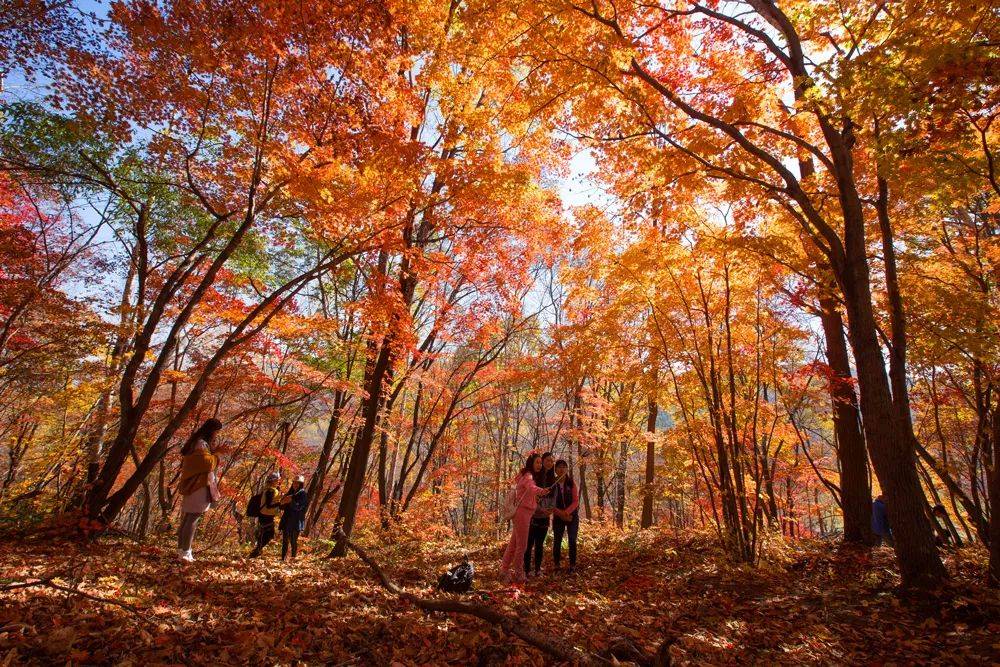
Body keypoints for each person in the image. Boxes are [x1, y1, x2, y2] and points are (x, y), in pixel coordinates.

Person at [499, 454, 554, 584]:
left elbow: (528, 491)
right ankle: (518, 573)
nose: (540, 465)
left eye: (541, 463)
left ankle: (504, 570)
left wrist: (537, 496)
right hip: (522, 513)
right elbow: (531, 487)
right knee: (522, 546)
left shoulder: (526, 475)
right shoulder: (529, 475)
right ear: (531, 463)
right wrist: (541, 491)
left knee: (513, 544)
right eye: (537, 463)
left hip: (524, 513)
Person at [177, 418, 223, 562]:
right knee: (193, 518)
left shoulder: (196, 442)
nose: (216, 435)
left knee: (188, 518)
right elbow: (207, 464)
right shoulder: (201, 443)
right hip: (198, 486)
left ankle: (182, 550)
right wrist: (217, 454)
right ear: (211, 431)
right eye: (216, 432)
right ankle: (186, 552)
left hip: (194, 485)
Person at [524, 452, 556, 577]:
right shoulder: (534, 477)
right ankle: (526, 569)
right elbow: (531, 495)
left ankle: (537, 569)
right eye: (547, 460)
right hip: (532, 515)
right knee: (529, 543)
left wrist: (550, 509)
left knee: (539, 544)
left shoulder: (552, 478)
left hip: (545, 516)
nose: (549, 463)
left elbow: (553, 497)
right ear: (542, 461)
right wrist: (539, 508)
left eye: (552, 461)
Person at [552, 459, 580, 573]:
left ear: (567, 469)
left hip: (572, 517)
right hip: (558, 517)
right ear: (555, 469)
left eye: (564, 467)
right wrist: (561, 514)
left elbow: (576, 501)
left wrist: (567, 512)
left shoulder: (571, 483)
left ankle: (572, 565)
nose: (562, 469)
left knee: (572, 540)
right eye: (559, 467)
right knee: (557, 540)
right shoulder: (552, 484)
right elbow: (550, 503)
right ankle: (557, 564)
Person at [249, 471, 282, 558]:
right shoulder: (270, 491)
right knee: (269, 535)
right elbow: (269, 505)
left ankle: (256, 551)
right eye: (277, 480)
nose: (278, 481)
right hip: (266, 515)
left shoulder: (268, 489)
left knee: (264, 533)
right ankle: (256, 551)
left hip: (265, 515)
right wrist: (280, 503)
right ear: (273, 480)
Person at [279, 475, 309, 561]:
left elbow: (299, 508)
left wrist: (291, 501)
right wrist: (282, 502)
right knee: (285, 540)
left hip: (296, 521)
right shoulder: (290, 493)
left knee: (293, 541)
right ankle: (283, 559)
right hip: (287, 520)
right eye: (294, 483)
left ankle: (293, 559)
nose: (295, 485)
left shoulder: (303, 494)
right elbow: (281, 507)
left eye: (297, 483)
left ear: (301, 484)